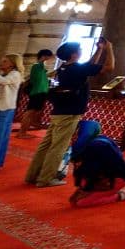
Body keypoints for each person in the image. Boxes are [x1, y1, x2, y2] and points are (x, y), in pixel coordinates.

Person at [24, 38, 113, 188]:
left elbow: (89, 66)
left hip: (58, 110)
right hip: (70, 111)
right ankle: (45, 178)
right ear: (73, 54)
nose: (81, 52)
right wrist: (109, 48)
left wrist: (99, 49)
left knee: (46, 144)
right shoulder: (77, 69)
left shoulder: (63, 68)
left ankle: (32, 175)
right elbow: (109, 67)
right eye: (79, 50)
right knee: (59, 146)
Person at [69, 120, 125, 207]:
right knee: (77, 195)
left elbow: (92, 171)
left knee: (81, 203)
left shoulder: (97, 146)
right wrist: (81, 189)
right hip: (104, 175)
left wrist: (85, 190)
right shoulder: (90, 142)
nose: (73, 137)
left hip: (116, 178)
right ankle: (105, 191)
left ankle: (120, 195)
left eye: (76, 134)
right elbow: (81, 169)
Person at [17, 48, 54, 135]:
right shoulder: (38, 65)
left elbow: (44, 76)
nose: (50, 59)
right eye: (49, 56)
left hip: (39, 91)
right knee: (30, 112)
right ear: (44, 56)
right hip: (38, 92)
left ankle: (24, 131)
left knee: (32, 112)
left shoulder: (39, 67)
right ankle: (22, 132)